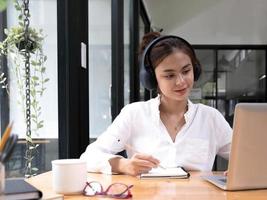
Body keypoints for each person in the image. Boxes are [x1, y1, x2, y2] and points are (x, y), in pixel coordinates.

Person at [80, 32, 232, 176]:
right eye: (169, 75)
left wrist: (240, 171)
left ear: (195, 69)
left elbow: (249, 159)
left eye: (186, 71)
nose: (181, 81)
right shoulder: (134, 114)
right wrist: (123, 165)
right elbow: (88, 158)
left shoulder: (210, 118)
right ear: (152, 79)